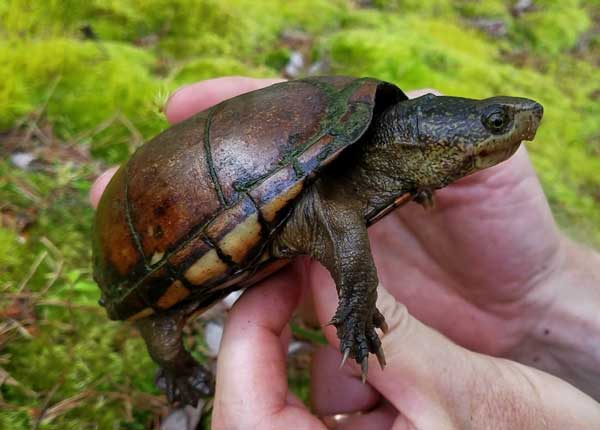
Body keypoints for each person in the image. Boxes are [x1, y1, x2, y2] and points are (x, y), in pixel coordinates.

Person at [90, 77, 600, 429]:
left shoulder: (382, 163)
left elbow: (337, 208)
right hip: (169, 231)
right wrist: (360, 302)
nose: (524, 122)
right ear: (427, 139)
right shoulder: (351, 184)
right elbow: (336, 217)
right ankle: (176, 371)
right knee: (161, 330)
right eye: (494, 122)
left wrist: (539, 291)